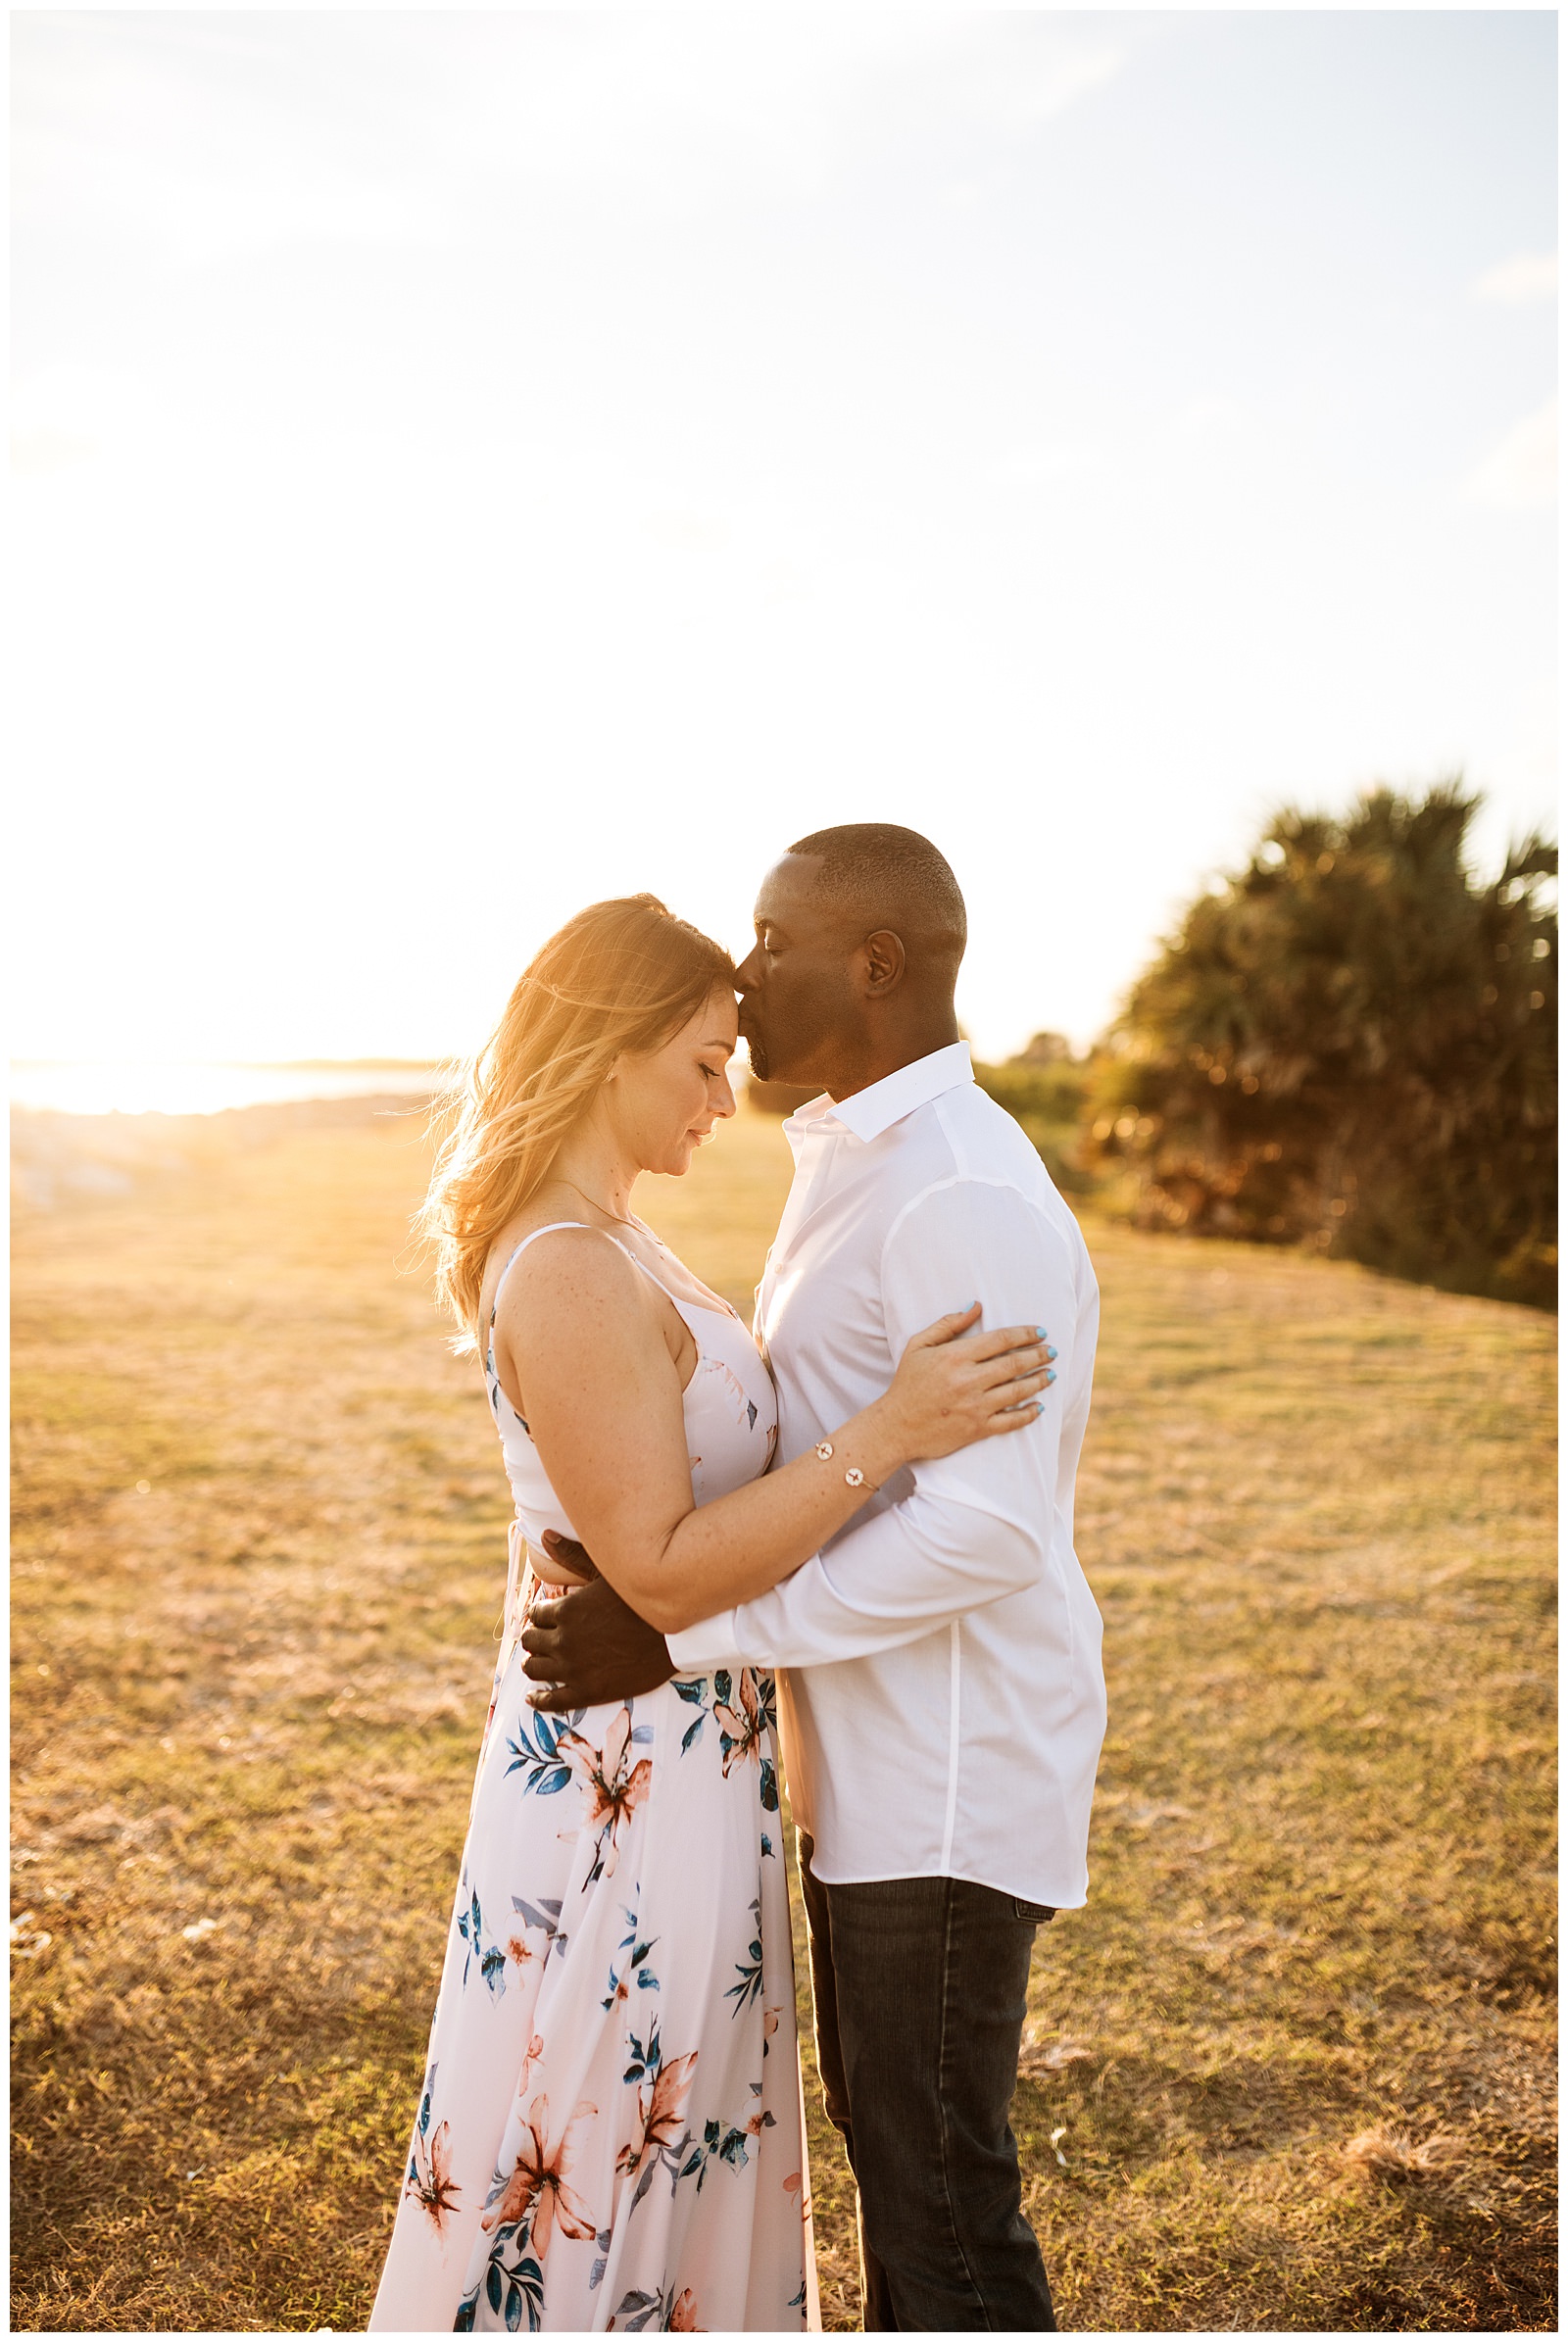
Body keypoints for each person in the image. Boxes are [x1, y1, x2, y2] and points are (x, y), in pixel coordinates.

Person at [369, 893, 1054, 2334]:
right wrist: (890, 1428)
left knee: (677, 2133)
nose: (724, 1097)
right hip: (625, 1778)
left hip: (690, 1749)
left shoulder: (614, 1234)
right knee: (615, 2135)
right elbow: (667, 1569)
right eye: (698, 1061)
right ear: (609, 1049)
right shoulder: (561, 1264)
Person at [521, 827, 1106, 2333]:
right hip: (871, 1758)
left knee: (942, 2202)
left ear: (877, 965)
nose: (744, 959)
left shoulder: (953, 1189)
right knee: (902, 2163)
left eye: (773, 938)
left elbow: (987, 1528)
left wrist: (692, 1627)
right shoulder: (862, 1160)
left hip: (948, 1772)